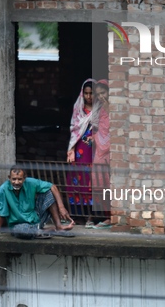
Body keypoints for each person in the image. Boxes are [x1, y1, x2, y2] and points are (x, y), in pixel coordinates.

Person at [0, 166, 74, 239]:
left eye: (19, 179)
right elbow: (3, 213)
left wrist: (61, 207)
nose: (16, 182)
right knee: (22, 231)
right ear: (9, 178)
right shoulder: (3, 190)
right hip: (18, 225)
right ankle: (43, 231)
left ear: (24, 178)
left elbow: (52, 186)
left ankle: (57, 227)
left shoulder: (31, 182)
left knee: (49, 192)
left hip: (35, 219)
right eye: (14, 179)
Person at [66, 79, 95, 226]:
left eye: (91, 93)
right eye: (86, 93)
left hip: (94, 151)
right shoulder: (78, 109)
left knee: (92, 181)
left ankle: (91, 215)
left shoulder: (101, 110)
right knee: (78, 180)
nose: (89, 97)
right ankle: (78, 214)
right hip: (79, 151)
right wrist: (71, 149)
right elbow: (74, 128)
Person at [91, 80, 112, 228]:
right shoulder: (99, 109)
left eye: (103, 93)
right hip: (100, 148)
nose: (101, 97)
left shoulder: (114, 108)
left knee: (111, 183)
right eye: (98, 94)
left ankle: (114, 216)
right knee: (100, 182)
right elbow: (98, 128)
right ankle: (107, 216)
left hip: (111, 150)